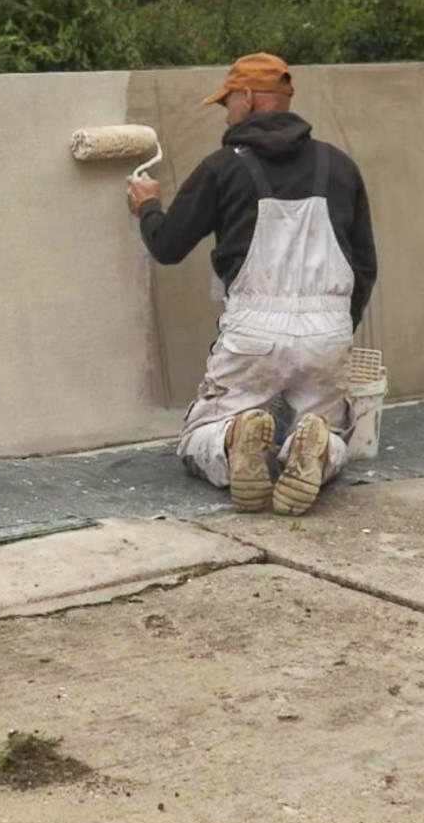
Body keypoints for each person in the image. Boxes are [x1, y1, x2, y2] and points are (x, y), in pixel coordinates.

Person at [127, 53, 376, 516]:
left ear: (246, 97)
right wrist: (337, 327)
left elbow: (168, 246)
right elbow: (365, 264)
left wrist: (148, 206)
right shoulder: (340, 166)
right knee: (330, 428)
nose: (227, 114)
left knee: (199, 435)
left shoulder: (223, 167)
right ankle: (314, 448)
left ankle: (231, 440)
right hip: (328, 330)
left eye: (228, 103)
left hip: (254, 332)